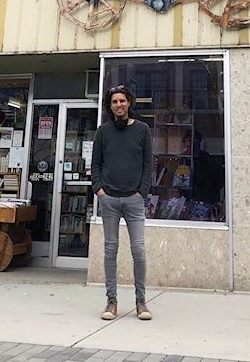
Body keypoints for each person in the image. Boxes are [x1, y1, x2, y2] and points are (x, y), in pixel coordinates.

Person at [91, 84, 153, 321]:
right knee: (110, 250)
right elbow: (95, 164)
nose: (119, 105)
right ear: (110, 105)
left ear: (129, 103)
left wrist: (142, 191)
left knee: (138, 250)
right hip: (110, 200)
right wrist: (100, 190)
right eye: (114, 101)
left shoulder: (142, 130)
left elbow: (149, 163)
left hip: (134, 200)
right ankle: (111, 301)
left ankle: (141, 302)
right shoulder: (103, 132)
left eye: (122, 101)